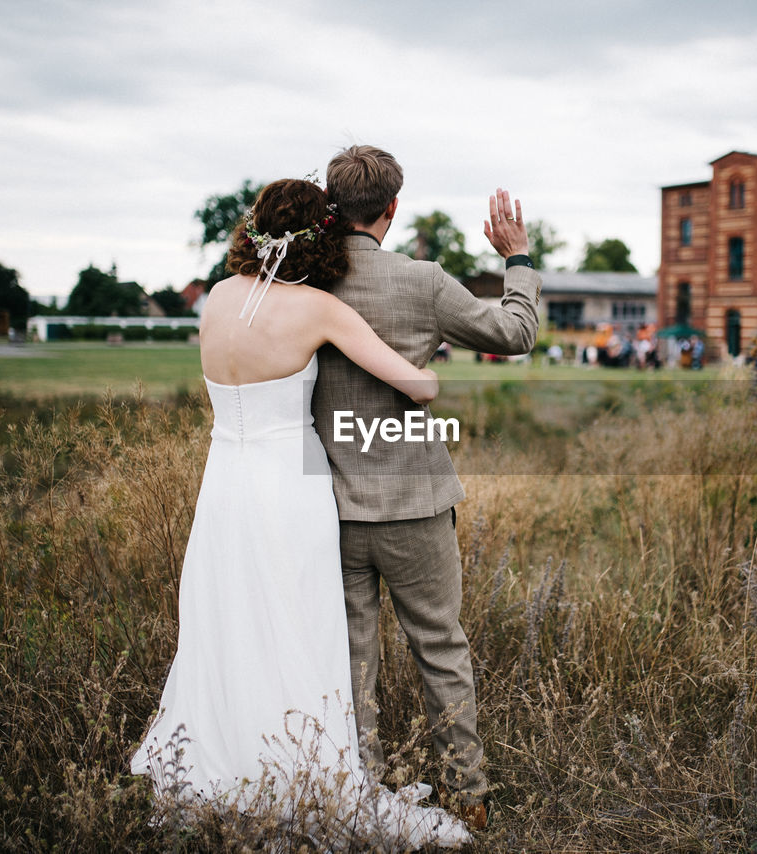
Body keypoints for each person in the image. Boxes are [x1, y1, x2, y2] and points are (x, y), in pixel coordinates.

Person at [130, 177, 471, 850]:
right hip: (290, 483)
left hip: (224, 480)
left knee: (231, 622)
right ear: (322, 234)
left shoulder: (219, 299)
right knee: (300, 623)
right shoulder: (318, 309)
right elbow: (420, 389)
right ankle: (301, 770)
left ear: (255, 229)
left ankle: (226, 764)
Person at [312, 145, 541, 831]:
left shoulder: (305, 282)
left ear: (334, 205)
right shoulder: (423, 280)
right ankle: (464, 791)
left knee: (352, 655)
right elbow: (517, 332)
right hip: (415, 500)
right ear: (391, 208)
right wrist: (518, 257)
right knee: (439, 646)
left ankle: (361, 788)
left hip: (329, 504)